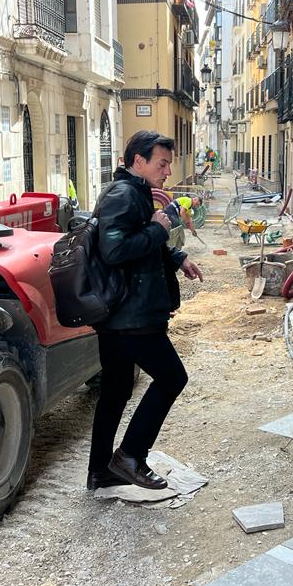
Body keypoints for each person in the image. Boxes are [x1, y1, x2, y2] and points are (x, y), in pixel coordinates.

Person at [86, 130, 204, 491]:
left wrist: (176, 256)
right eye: (162, 163)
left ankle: (100, 470)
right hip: (132, 316)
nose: (168, 171)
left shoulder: (131, 191)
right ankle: (130, 456)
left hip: (120, 314)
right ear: (138, 161)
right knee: (172, 378)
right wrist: (158, 228)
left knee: (117, 389)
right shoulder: (124, 194)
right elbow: (115, 251)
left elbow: (138, 243)